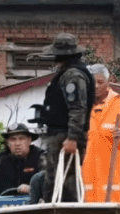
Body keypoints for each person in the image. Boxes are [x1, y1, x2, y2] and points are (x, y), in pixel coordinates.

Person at [30, 33, 95, 204]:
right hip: (60, 135)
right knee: (54, 182)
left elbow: (78, 108)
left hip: (64, 136)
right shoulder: (68, 73)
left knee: (65, 182)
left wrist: (72, 137)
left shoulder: (73, 75)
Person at [81, 63, 120, 205]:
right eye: (92, 83)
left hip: (114, 185)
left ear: (108, 82)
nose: (96, 86)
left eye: (100, 82)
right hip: (88, 183)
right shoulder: (82, 109)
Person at [0, 123, 43, 210]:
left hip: (37, 210)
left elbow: (52, 184)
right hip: (3, 212)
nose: (17, 143)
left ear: (29, 140)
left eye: (21, 138)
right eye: (13, 139)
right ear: (8, 143)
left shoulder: (43, 160)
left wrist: (33, 189)